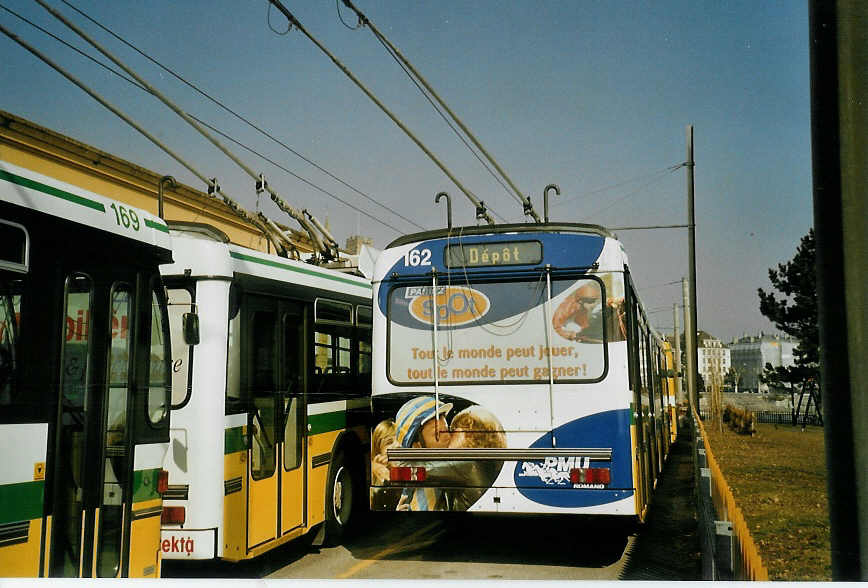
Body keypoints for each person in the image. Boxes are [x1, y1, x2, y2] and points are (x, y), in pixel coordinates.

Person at [393, 396, 452, 511]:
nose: (448, 437)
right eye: (438, 434)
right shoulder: (413, 476)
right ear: (417, 445)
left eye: (447, 429)